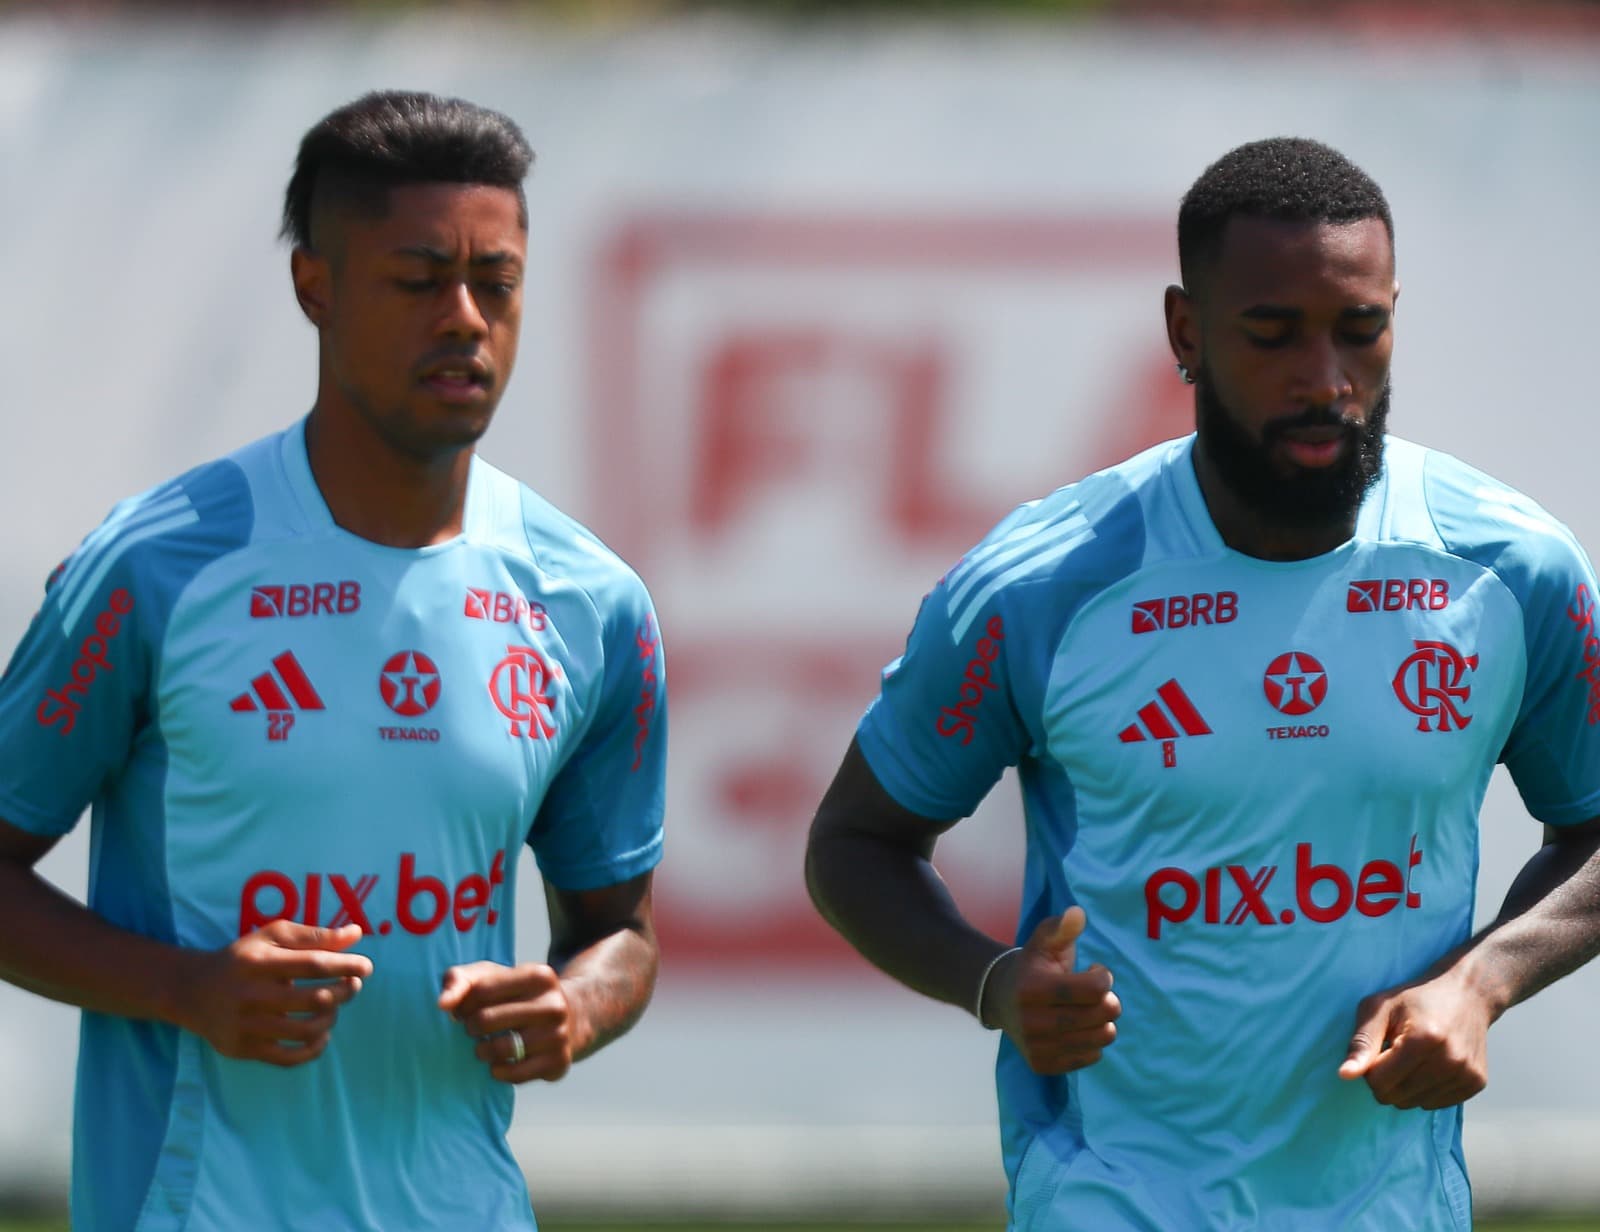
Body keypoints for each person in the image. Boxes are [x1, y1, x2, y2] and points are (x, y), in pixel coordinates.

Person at [805, 136, 1600, 1229]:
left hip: (1387, 1205)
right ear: (1186, 332)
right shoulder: (1047, 584)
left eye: (1359, 330)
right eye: (1272, 334)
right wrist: (995, 984)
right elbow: (854, 842)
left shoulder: (1507, 570)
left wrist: (1482, 980)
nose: (1325, 379)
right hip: (1108, 1194)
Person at [0, 90, 666, 1230]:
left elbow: (623, 934)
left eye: (495, 283)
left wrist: (572, 1004)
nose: (463, 317)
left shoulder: (588, 600)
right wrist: (187, 990)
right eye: (418, 280)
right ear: (317, 287)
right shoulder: (161, 567)